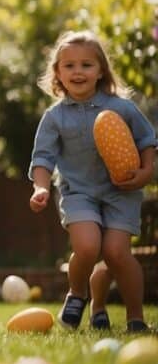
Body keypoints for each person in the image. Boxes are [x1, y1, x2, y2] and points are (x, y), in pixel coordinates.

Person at [28, 30, 155, 333]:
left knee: (115, 253)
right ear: (57, 73)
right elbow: (43, 159)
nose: (78, 71)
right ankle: (78, 294)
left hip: (121, 191)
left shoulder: (122, 108)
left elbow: (148, 141)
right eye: (69, 65)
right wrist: (41, 187)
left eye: (86, 64)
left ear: (100, 71)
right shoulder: (54, 117)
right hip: (79, 192)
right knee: (86, 247)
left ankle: (135, 318)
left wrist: (147, 172)